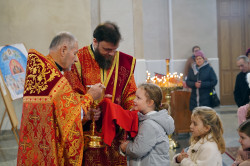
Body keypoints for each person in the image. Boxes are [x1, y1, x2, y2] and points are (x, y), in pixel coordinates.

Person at [17, 32, 105, 165]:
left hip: (34, 151)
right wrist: (90, 96)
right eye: (74, 53)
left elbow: (61, 111)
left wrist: (86, 112)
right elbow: (70, 116)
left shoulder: (43, 72)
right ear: (63, 50)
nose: (76, 60)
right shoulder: (54, 79)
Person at [69, 21, 137, 165]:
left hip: (116, 134)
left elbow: (130, 93)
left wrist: (132, 108)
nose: (111, 54)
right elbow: (71, 93)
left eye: (114, 49)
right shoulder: (78, 59)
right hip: (88, 133)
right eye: (107, 49)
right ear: (95, 41)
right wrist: (87, 110)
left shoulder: (124, 61)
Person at [119, 83, 175, 166]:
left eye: (138, 98)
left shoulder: (150, 124)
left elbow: (138, 150)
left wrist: (125, 147)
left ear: (150, 103)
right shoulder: (145, 119)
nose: (134, 100)